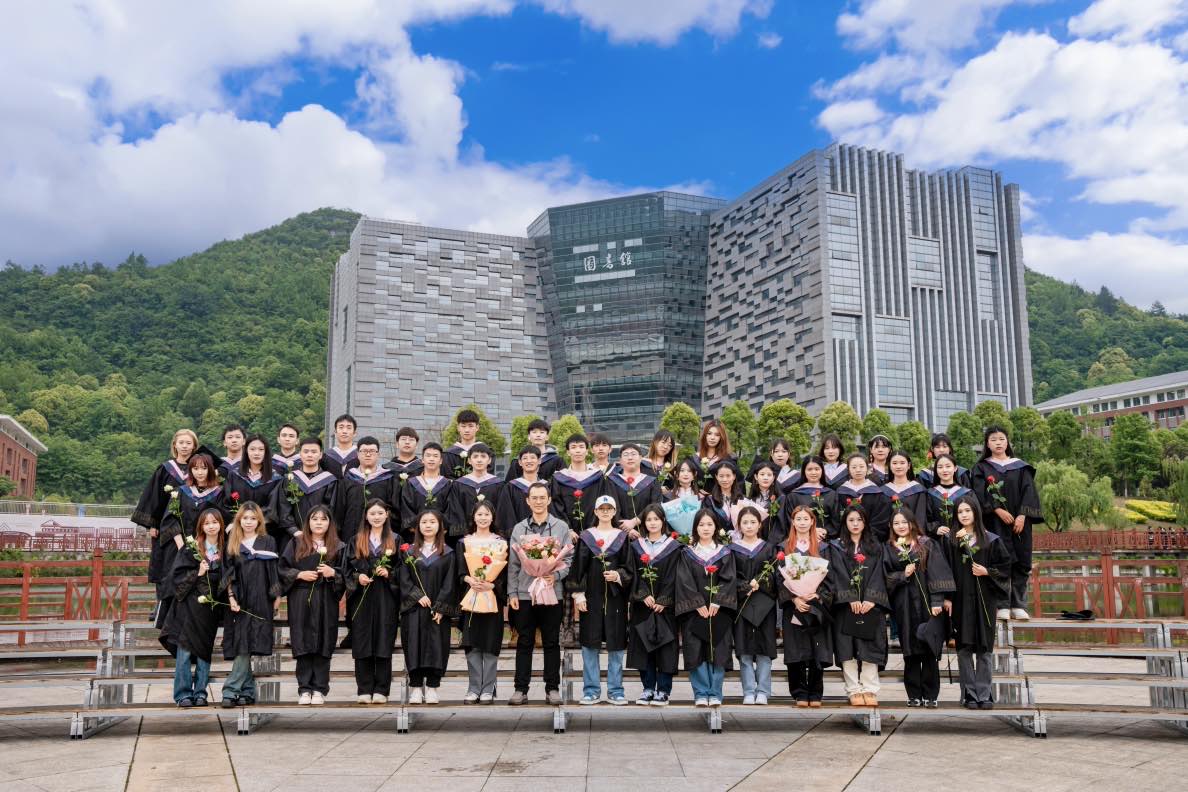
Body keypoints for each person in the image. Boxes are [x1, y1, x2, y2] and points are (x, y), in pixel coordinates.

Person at [507, 482, 574, 705]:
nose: (538, 501)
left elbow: (568, 559)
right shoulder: (519, 529)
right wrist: (512, 593)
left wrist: (555, 575)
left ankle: (552, 688)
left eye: (542, 497)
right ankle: (520, 689)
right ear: (527, 501)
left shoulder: (560, 527)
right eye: (534, 498)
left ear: (549, 500)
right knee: (524, 641)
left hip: (552, 593)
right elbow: (514, 564)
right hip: (525, 594)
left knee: (551, 642)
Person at [945, 496, 1011, 709]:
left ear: (976, 512)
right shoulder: (951, 541)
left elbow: (1005, 569)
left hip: (985, 600)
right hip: (960, 600)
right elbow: (944, 571)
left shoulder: (991, 540)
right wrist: (947, 598)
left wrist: (987, 572)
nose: (964, 515)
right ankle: (969, 693)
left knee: (984, 647)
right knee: (963, 647)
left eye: (968, 510)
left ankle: (984, 693)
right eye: (960, 511)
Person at [884, 510, 954, 708]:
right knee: (910, 650)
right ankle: (914, 694)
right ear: (891, 527)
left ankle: (931, 694)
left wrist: (937, 601)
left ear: (912, 523)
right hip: (904, 605)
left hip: (928, 604)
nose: (900, 526)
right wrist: (902, 575)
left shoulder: (927, 544)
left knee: (929, 647)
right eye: (896, 523)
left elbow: (937, 572)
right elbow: (884, 576)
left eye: (904, 522)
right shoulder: (889, 548)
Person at [972, 425, 1043, 620]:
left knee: (1022, 561)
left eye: (1001, 439)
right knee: (999, 561)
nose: (998, 443)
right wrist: (996, 509)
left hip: (1020, 524)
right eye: (993, 439)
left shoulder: (1021, 467)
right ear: (987, 444)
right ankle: (1002, 604)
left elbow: (1029, 492)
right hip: (994, 522)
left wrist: (1022, 515)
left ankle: (1019, 604)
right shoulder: (981, 468)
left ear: (1007, 442)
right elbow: (978, 493)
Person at [279, 505, 346, 705]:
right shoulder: (296, 542)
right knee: (303, 642)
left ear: (330, 523)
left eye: (323, 519)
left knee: (323, 642)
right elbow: (282, 568)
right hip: (301, 598)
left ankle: (319, 689)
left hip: (326, 598)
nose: (319, 523)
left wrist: (333, 573)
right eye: (314, 519)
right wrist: (299, 574)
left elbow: (346, 574)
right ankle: (304, 689)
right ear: (308, 522)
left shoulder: (338, 546)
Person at [569, 495, 633, 705]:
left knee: (616, 645)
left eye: (609, 508)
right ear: (595, 512)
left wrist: (618, 575)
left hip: (616, 600)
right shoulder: (587, 537)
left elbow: (629, 568)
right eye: (601, 509)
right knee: (590, 645)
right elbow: (577, 568)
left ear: (614, 512)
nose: (605, 512)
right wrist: (579, 595)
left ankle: (616, 690)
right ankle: (591, 690)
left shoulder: (622, 537)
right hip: (591, 598)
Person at [220, 502, 280, 708]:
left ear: (259, 521)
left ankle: (246, 690)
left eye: (253, 518)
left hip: (262, 599)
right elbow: (228, 573)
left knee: (250, 643)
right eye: (245, 518)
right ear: (239, 520)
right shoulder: (233, 542)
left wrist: (277, 597)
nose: (248, 522)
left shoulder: (268, 541)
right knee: (242, 643)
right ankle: (232, 690)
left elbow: (273, 570)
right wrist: (231, 598)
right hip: (240, 600)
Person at [166, 508, 226, 708]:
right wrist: (197, 573)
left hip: (209, 608)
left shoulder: (226, 549)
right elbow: (176, 578)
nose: (211, 526)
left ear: (221, 524)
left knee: (203, 650)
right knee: (184, 649)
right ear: (201, 526)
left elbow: (231, 576)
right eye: (207, 523)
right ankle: (183, 694)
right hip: (189, 606)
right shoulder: (191, 548)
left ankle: (200, 692)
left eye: (214, 522)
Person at [675, 509, 736, 707]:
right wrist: (698, 603)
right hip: (695, 611)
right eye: (701, 525)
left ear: (716, 527)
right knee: (696, 650)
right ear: (695, 528)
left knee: (718, 649)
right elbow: (684, 580)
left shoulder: (725, 552)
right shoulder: (687, 553)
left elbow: (729, 579)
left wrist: (717, 601)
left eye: (710, 524)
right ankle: (701, 693)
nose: (706, 528)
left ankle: (715, 692)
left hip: (718, 610)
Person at [830, 504, 888, 707]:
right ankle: (854, 689)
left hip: (870, 605)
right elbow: (836, 572)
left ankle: (870, 688)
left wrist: (871, 599)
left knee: (869, 644)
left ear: (865, 522)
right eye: (851, 520)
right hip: (846, 606)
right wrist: (850, 597)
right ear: (845, 523)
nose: (855, 524)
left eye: (859, 520)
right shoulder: (836, 546)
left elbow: (880, 573)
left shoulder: (875, 546)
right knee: (847, 646)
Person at [132, 428, 197, 607]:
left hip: (191, 525)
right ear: (175, 445)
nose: (184, 446)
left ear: (194, 446)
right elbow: (154, 497)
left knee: (190, 563)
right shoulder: (166, 469)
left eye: (188, 443)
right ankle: (161, 604)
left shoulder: (198, 469)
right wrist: (152, 524)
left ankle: (184, 606)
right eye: (181, 443)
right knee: (165, 564)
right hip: (166, 526)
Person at [344, 499, 400, 704]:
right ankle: (364, 689)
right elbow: (346, 570)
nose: (376, 517)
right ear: (366, 516)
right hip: (362, 597)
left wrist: (390, 573)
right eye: (372, 513)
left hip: (386, 597)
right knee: (362, 641)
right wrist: (357, 577)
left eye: (380, 513)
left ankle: (382, 690)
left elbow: (403, 569)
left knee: (384, 640)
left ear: (387, 515)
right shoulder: (356, 539)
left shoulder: (395, 539)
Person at [399, 510, 458, 704]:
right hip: (414, 609)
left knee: (437, 647)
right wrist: (417, 595)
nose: (428, 525)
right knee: (413, 646)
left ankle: (432, 687)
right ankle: (416, 688)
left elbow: (450, 583)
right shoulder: (408, 552)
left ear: (440, 526)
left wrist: (440, 607)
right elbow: (403, 579)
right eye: (424, 522)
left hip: (437, 612)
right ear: (417, 526)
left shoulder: (448, 553)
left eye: (433, 522)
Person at [779, 505, 834, 708]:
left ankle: (816, 692)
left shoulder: (823, 548)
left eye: (806, 519)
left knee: (816, 647)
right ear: (793, 522)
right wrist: (794, 598)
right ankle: (799, 692)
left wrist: (818, 595)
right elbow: (778, 578)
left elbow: (831, 577)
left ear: (812, 522)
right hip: (794, 607)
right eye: (798, 519)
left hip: (816, 606)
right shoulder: (784, 547)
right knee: (796, 650)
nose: (802, 522)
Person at [626, 504, 680, 706]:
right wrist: (643, 594)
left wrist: (664, 599)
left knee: (666, 647)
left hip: (666, 607)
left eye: (656, 519)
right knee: (644, 645)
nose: (652, 523)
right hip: (644, 606)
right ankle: (648, 688)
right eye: (648, 519)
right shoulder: (636, 546)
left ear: (663, 521)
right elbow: (632, 573)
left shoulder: (675, 547)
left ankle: (663, 690)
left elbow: (676, 575)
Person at [458, 501, 508, 704]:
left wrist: (492, 585)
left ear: (492, 517)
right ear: (473, 517)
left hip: (492, 599)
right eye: (479, 514)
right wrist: (469, 580)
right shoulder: (464, 542)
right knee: (472, 644)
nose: (483, 518)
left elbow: (505, 573)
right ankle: (473, 688)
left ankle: (488, 689)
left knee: (490, 643)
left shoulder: (501, 543)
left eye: (487, 514)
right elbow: (459, 570)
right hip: (471, 597)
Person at [731, 506, 778, 705]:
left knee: (764, 649)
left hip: (764, 604)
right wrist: (744, 586)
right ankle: (749, 691)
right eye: (745, 522)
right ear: (739, 525)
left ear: (760, 525)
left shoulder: (769, 548)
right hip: (742, 604)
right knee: (744, 650)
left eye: (753, 522)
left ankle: (763, 691)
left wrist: (760, 582)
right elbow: (729, 576)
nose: (749, 526)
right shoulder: (732, 549)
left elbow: (776, 574)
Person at [283, 437, 343, 555]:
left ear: (320, 455)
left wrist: (320, 532)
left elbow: (332, 509)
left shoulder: (329, 480)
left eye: (314, 451)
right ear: (300, 454)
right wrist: (295, 531)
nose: (309, 455)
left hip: (322, 539)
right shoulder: (290, 479)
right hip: (294, 538)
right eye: (306, 451)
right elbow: (283, 507)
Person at [223, 434, 286, 547]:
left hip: (265, 532)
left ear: (266, 452)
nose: (256, 453)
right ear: (246, 451)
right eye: (252, 449)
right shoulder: (234, 475)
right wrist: (238, 522)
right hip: (237, 531)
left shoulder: (276, 478)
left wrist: (255, 523)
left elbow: (273, 507)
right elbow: (227, 502)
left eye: (261, 449)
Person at [341, 437, 398, 545]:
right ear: (358, 454)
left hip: (382, 534)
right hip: (351, 532)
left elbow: (394, 508)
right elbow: (340, 508)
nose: (368, 454)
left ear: (378, 454)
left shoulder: (388, 478)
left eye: (372, 451)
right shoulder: (348, 478)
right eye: (364, 451)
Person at [447, 443, 504, 546]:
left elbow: (501, 510)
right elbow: (456, 510)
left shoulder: (498, 484)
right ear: (469, 460)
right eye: (475, 456)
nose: (479, 460)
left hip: (492, 538)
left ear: (489, 460)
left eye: (483, 456)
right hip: (465, 538)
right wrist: (464, 534)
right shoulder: (459, 484)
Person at [549, 434, 605, 535]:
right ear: (568, 452)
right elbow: (556, 507)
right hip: (567, 534)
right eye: (573, 447)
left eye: (581, 447)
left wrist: (594, 527)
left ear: (587, 451)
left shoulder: (597, 476)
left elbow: (602, 503)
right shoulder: (559, 478)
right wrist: (567, 530)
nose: (578, 450)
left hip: (595, 531)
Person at [605, 443, 661, 539]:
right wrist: (626, 529)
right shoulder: (612, 481)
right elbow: (611, 507)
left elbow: (656, 505)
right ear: (620, 460)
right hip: (620, 534)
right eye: (626, 455)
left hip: (647, 532)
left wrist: (635, 521)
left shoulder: (652, 481)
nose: (630, 458)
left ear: (641, 458)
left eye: (634, 454)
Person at [399, 443, 453, 539]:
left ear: (441, 461)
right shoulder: (411, 483)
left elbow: (450, 510)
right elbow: (406, 508)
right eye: (428, 455)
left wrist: (440, 528)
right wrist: (416, 528)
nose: (431, 459)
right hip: (415, 535)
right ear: (422, 460)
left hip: (441, 535)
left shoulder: (448, 484)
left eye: (435, 456)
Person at [836, 453, 891, 543]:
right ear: (848, 469)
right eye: (854, 467)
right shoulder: (840, 492)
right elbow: (837, 519)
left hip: (870, 541)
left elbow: (880, 520)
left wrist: (866, 537)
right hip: (846, 540)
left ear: (867, 468)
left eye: (861, 466)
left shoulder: (877, 493)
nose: (858, 470)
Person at [783, 455, 839, 540]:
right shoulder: (793, 495)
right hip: (801, 540)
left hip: (825, 540)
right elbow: (789, 521)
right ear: (804, 471)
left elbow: (836, 520)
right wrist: (810, 531)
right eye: (809, 469)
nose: (813, 472)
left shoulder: (831, 494)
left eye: (817, 469)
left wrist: (825, 531)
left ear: (822, 470)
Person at [496, 446, 545, 538]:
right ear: (520, 462)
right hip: (518, 538)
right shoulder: (510, 487)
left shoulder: (546, 486)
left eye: (532, 457)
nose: (529, 461)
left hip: (544, 537)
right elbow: (506, 514)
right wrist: (517, 534)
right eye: (525, 458)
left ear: (539, 461)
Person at [925, 453, 972, 538]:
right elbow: (925, 519)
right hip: (938, 541)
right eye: (940, 467)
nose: (944, 470)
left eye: (948, 466)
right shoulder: (929, 494)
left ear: (955, 468)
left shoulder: (967, 493)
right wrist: (935, 528)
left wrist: (966, 530)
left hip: (963, 539)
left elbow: (975, 516)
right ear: (936, 470)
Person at [882, 450, 928, 529]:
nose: (898, 466)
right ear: (889, 465)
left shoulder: (918, 490)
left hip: (913, 534)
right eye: (894, 463)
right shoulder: (883, 491)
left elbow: (920, 518)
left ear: (909, 465)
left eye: (902, 463)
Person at [746, 461, 786, 545]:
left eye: (769, 475)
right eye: (762, 474)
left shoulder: (780, 499)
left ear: (773, 477)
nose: (765, 478)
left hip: (773, 543)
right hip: (753, 542)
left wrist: (771, 544)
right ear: (756, 477)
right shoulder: (749, 500)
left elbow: (781, 525)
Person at [702, 460, 745, 539]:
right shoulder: (709, 500)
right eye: (721, 476)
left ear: (734, 476)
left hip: (739, 541)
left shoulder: (742, 499)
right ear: (716, 477)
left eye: (728, 476)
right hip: (715, 540)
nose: (725, 479)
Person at [695, 420, 734, 493]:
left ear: (722, 437)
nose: (712, 438)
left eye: (717, 435)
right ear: (705, 435)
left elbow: (737, 484)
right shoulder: (695, 458)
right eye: (709, 433)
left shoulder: (728, 459)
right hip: (697, 498)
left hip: (719, 498)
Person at [443, 409, 482, 479]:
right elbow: (448, 477)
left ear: (477, 427)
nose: (467, 430)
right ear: (458, 428)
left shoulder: (486, 452)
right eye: (463, 426)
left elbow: (488, 478)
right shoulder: (448, 454)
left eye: (470, 426)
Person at [322, 413, 359, 479]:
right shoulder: (326, 456)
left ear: (354, 433)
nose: (344, 431)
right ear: (335, 433)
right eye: (341, 427)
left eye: (349, 428)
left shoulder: (360, 455)